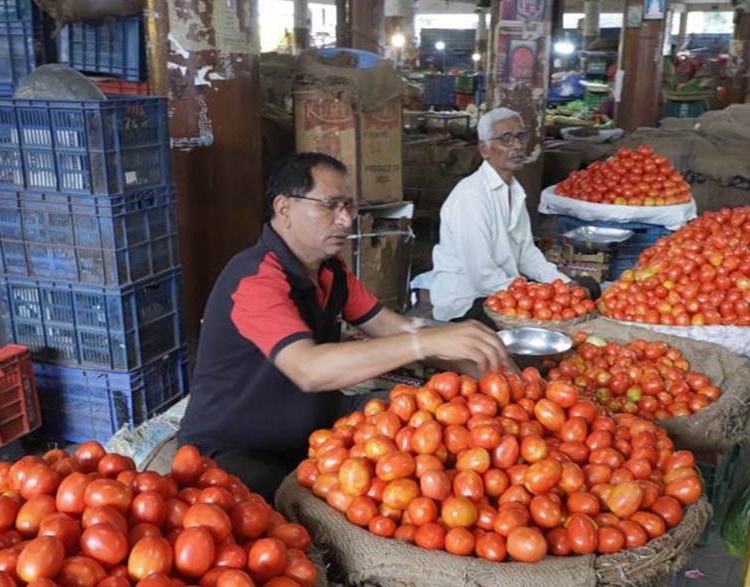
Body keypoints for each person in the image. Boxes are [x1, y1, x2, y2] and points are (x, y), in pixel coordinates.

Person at [178, 152, 512, 499]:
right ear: (284, 209)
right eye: (329, 205)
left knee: (422, 412)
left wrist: (484, 367)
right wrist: (427, 343)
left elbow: (387, 326)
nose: (345, 220)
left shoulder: (331, 270)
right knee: (294, 508)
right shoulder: (255, 278)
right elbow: (308, 369)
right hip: (238, 447)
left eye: (348, 206)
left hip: (317, 421)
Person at [429, 108, 600, 325]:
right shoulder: (470, 197)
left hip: (504, 290)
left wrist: (564, 285)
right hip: (469, 301)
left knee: (588, 287)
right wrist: (542, 294)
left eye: (520, 136)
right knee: (547, 320)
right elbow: (483, 277)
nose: (517, 145)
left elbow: (527, 253)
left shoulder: (514, 190)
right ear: (484, 149)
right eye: (506, 139)